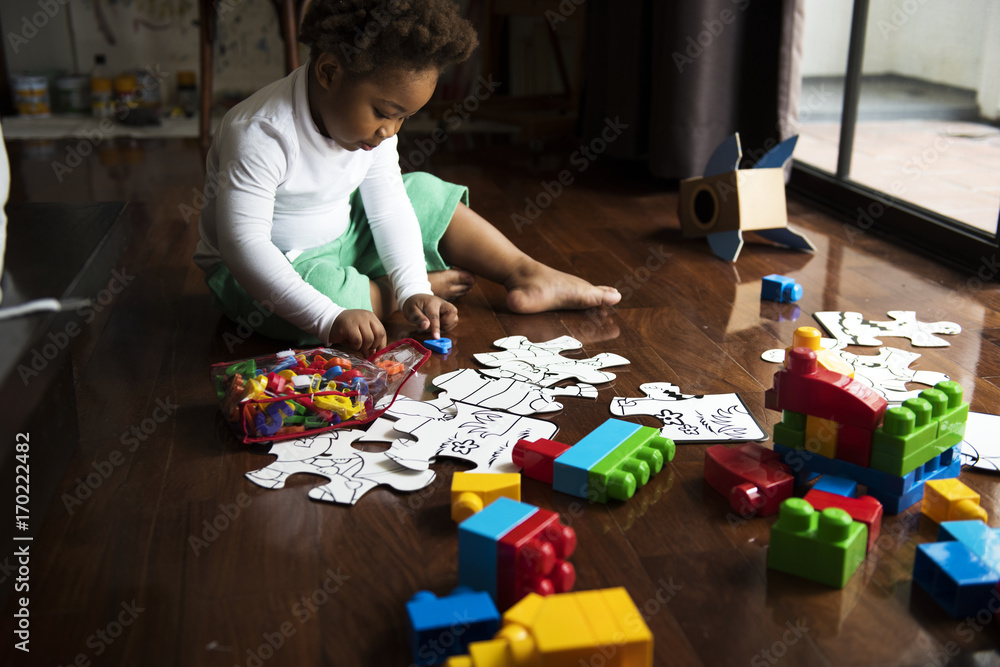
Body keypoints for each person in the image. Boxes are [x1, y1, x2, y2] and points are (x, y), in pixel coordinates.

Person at [193, 0, 620, 357]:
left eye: (403, 118)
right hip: (264, 267)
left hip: (341, 236)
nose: (390, 130)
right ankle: (383, 294)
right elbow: (244, 245)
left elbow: (388, 207)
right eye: (383, 112)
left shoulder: (374, 132)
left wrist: (414, 284)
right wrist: (329, 316)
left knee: (424, 193)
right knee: (330, 299)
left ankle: (523, 272)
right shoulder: (260, 132)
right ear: (328, 73)